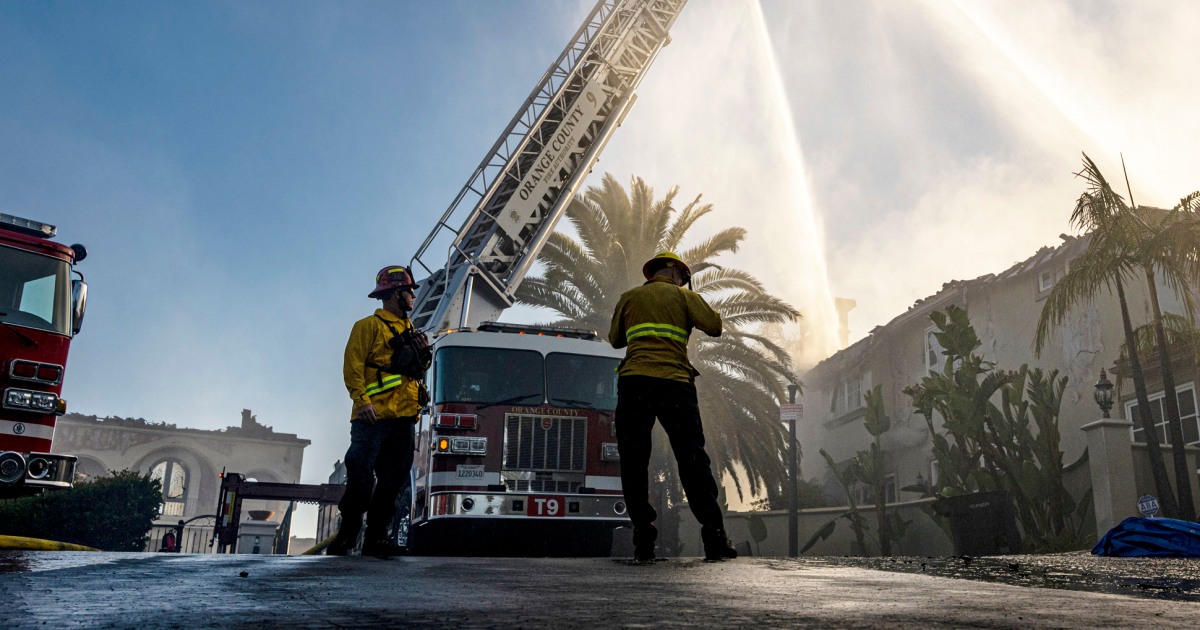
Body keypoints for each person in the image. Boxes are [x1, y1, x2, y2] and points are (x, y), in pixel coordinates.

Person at [608, 251, 738, 563]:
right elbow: (715, 325)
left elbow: (615, 340)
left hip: (634, 382)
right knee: (692, 459)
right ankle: (714, 538)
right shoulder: (684, 297)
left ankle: (643, 540)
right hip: (674, 384)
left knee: (634, 462)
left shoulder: (629, 298)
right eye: (683, 277)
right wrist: (689, 301)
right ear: (675, 271)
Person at [328, 265, 431, 558]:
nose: (413, 296)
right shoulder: (367, 326)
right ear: (396, 294)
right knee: (361, 477)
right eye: (409, 291)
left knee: (392, 482)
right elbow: (353, 366)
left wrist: (422, 360)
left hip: (403, 419)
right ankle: (347, 537)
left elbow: (412, 373)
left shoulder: (411, 332)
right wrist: (361, 401)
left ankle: (376, 539)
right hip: (371, 418)